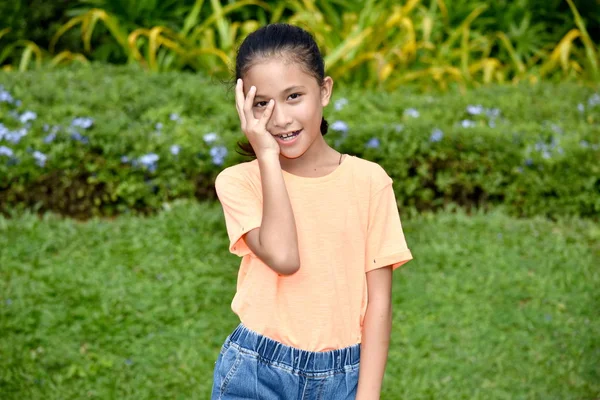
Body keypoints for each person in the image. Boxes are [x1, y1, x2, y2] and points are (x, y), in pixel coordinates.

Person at [211, 23, 413, 400]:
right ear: (244, 109)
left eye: (293, 96)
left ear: (324, 91)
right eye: (261, 103)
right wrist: (267, 156)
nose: (280, 118)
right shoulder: (239, 183)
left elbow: (379, 305)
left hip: (343, 377)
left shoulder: (370, 182)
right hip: (256, 373)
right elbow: (285, 257)